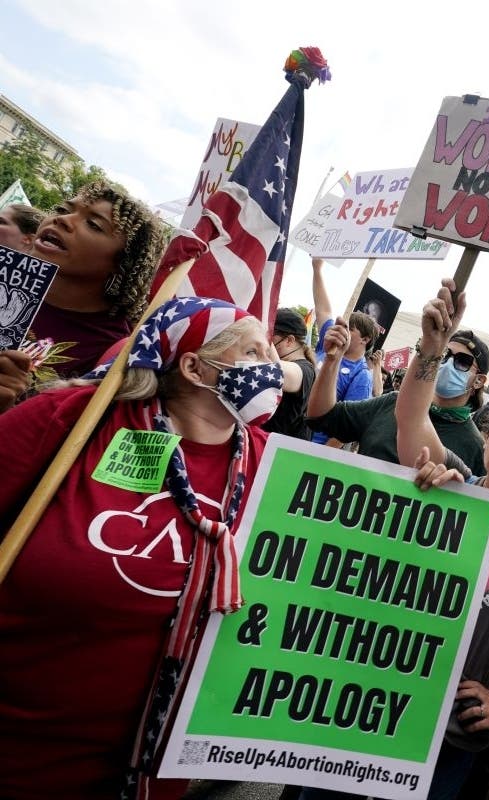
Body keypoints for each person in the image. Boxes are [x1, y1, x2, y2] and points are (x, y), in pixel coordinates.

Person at [300, 280, 489, 800]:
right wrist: (432, 349)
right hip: (370, 702)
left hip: (447, 738)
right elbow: (409, 417)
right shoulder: (453, 483)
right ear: (487, 436)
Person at [0, 296, 280, 800]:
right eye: (257, 354)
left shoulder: (277, 468)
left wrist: (434, 492)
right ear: (195, 367)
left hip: (144, 779)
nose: (275, 370)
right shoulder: (74, 421)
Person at [23, 180, 167, 385]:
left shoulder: (116, 353)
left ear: (123, 262)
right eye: (62, 209)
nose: (63, 220)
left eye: (93, 224)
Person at [307, 319, 489, 474]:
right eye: (444, 354)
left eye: (462, 362)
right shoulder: (392, 403)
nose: (448, 363)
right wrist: (333, 361)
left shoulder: (475, 448)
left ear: (479, 381)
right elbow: (322, 416)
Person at [310, 258, 377, 445]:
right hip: (284, 431)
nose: (342, 331)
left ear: (365, 339)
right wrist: (317, 268)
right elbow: (323, 309)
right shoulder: (331, 341)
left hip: (309, 445)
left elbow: (344, 430)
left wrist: (315, 458)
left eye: (350, 329)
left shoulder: (362, 376)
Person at [264, 307, 317, 440]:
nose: (266, 340)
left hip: (277, 454)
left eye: (271, 336)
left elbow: (278, 372)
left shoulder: (306, 370)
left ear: (289, 340)